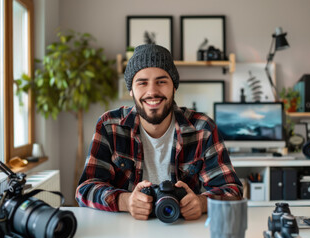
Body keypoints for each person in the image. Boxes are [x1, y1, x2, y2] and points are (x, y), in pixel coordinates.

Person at [75, 44, 242, 221]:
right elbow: (85, 189)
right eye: (142, 83)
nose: (152, 91)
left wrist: (201, 203)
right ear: (131, 89)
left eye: (161, 81)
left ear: (174, 87)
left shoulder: (203, 128)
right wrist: (126, 201)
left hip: (184, 230)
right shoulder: (110, 126)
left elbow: (232, 190)